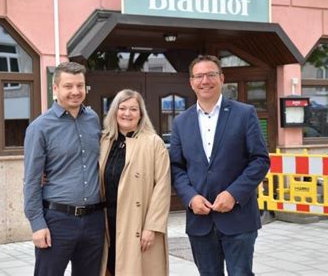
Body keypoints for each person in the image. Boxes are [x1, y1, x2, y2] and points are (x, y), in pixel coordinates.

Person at [170, 55, 270, 276]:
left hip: (238, 218)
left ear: (221, 78)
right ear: (191, 82)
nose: (205, 80)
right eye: (199, 76)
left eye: (211, 74)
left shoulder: (244, 114)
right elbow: (176, 167)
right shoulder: (181, 122)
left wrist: (234, 194)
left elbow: (260, 160)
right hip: (200, 220)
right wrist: (190, 197)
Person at [23, 62, 105, 276]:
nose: (76, 92)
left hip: (94, 219)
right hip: (58, 220)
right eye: (68, 86)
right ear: (55, 88)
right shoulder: (40, 127)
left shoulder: (93, 120)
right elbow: (31, 180)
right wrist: (37, 224)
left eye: (80, 85)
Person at [99, 89, 171, 276]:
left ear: (141, 114)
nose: (127, 113)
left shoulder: (153, 143)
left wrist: (151, 227)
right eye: (122, 108)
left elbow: (162, 187)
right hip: (107, 222)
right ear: (114, 112)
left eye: (133, 109)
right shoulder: (104, 141)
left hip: (138, 224)